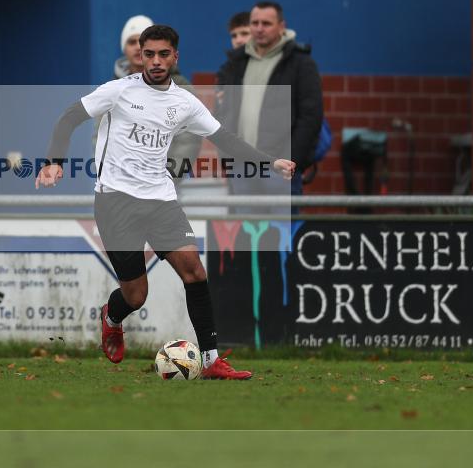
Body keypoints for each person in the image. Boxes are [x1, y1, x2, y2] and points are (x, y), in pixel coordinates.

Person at [35, 25, 295, 380]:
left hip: (161, 200)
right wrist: (53, 162)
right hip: (115, 202)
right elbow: (69, 118)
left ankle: (211, 361)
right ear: (140, 56)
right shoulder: (118, 91)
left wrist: (270, 162)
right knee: (136, 295)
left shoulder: (184, 102)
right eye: (149, 54)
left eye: (163, 54)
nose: (156, 61)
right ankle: (112, 317)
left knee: (195, 271)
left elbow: (224, 138)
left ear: (175, 56)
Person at [217, 1, 323, 199]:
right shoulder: (236, 63)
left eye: (266, 23)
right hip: (241, 168)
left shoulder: (301, 64)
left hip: (279, 170)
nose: (259, 29)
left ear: (281, 26)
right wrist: (227, 158)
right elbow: (224, 114)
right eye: (255, 23)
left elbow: (311, 118)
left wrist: (292, 161)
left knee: (280, 221)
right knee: (244, 220)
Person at [102, 15, 202, 185]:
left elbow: (188, 140)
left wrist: (167, 178)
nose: (137, 47)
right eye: (131, 42)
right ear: (124, 48)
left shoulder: (180, 88)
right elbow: (101, 136)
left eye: (141, 42)